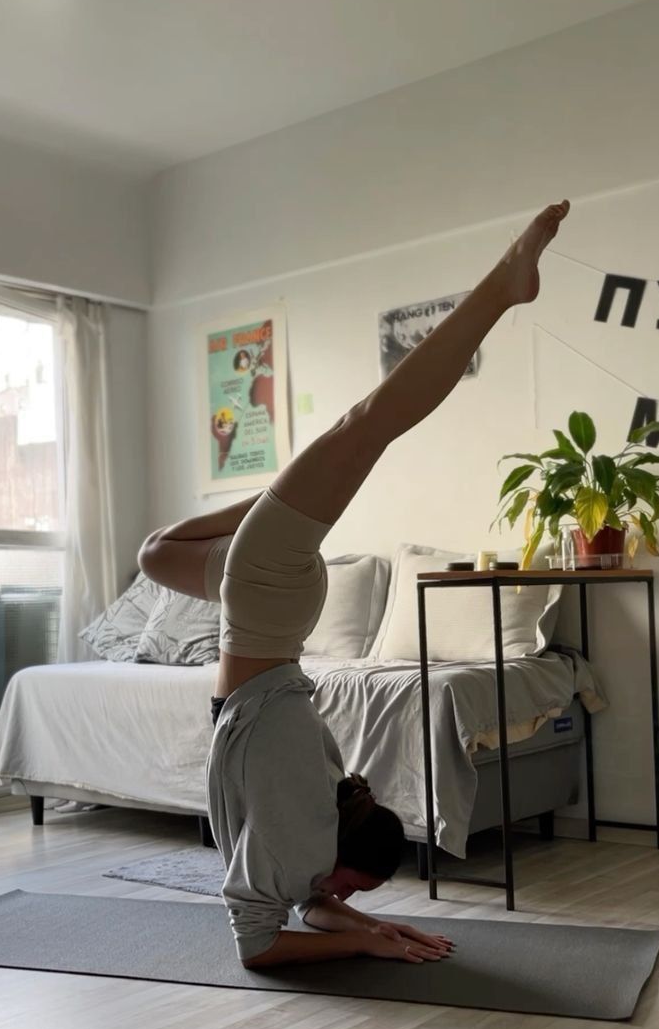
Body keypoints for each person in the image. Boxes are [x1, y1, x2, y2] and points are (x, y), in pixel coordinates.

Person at [138, 199, 571, 968]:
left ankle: (281, 499)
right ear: (336, 851)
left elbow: (279, 931)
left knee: (156, 554)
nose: (347, 897)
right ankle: (504, 286)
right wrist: (365, 933)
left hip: (266, 603)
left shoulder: (307, 826)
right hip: (264, 602)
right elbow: (293, 917)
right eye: (360, 890)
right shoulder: (302, 824)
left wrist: (370, 935)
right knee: (369, 422)